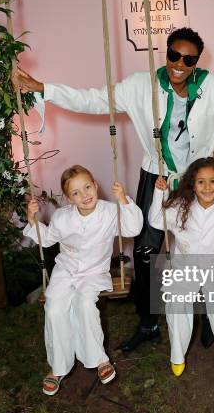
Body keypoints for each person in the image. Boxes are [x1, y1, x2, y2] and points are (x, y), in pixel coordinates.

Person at [18, 27, 214, 352]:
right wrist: (44, 88)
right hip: (157, 177)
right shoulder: (141, 86)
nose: (180, 63)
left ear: (196, 61)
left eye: (188, 58)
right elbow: (94, 99)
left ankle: (208, 316)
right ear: (166, 54)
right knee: (146, 249)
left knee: (206, 246)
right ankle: (149, 322)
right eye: (174, 55)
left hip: (199, 181)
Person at [23, 165, 143, 396]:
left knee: (85, 304)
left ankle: (98, 359)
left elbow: (133, 227)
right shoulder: (62, 217)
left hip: (94, 272)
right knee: (55, 308)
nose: (85, 195)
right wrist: (31, 219)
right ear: (69, 198)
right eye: (76, 192)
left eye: (88, 187)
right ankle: (58, 367)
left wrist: (123, 200)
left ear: (96, 186)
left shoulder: (110, 212)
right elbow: (46, 239)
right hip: (65, 270)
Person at [148, 157, 214, 376]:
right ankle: (177, 355)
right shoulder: (180, 206)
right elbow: (156, 221)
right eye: (201, 182)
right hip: (183, 265)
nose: (207, 187)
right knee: (177, 306)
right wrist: (159, 194)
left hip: (213, 265)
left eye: (212, 181)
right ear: (192, 184)